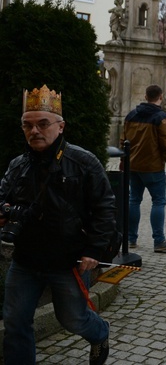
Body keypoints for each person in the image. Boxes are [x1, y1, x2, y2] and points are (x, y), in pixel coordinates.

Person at [0, 85, 115, 365]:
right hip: (26, 259)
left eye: (42, 124)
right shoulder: (18, 165)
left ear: (60, 126)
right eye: (27, 125)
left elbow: (105, 207)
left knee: (73, 319)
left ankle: (99, 333)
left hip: (69, 261)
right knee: (15, 323)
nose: (34, 131)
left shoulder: (83, 162)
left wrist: (94, 250)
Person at [124, 84, 166, 252]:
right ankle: (159, 241)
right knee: (158, 201)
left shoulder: (130, 115)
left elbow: (124, 141)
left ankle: (130, 239)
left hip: (133, 165)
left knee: (134, 200)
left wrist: (124, 161)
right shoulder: (162, 118)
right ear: (161, 97)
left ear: (145, 96)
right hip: (153, 167)